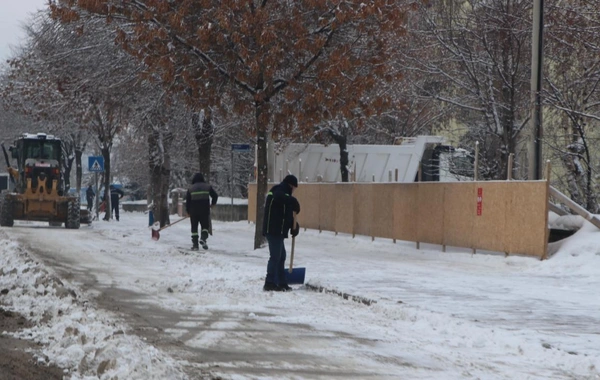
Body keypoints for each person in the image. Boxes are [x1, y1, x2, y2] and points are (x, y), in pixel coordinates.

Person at [262, 174, 300, 292]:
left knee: (281, 256)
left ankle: (281, 282)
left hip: (278, 231)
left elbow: (286, 216)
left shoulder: (286, 197)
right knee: (275, 256)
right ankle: (269, 282)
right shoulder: (278, 190)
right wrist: (293, 201)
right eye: (294, 188)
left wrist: (294, 226)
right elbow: (280, 197)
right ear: (291, 185)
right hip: (273, 230)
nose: (294, 191)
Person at [185, 173, 218, 250]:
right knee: (205, 227)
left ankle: (195, 245)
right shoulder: (207, 187)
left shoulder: (190, 189)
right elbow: (215, 195)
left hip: (194, 211)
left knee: (194, 228)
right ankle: (203, 238)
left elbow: (188, 201)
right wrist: (213, 204)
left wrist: (188, 211)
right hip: (204, 211)